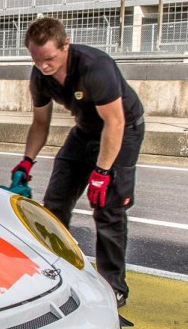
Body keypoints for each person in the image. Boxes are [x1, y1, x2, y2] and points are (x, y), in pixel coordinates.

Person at [12, 17, 145, 307]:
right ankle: (54, 269)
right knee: (55, 202)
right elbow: (39, 123)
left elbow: (116, 122)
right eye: (36, 60)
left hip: (122, 130)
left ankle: (114, 286)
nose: (44, 66)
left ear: (65, 46)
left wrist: (102, 172)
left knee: (108, 209)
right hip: (85, 130)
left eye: (49, 59)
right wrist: (26, 162)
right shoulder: (40, 76)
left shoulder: (95, 67)